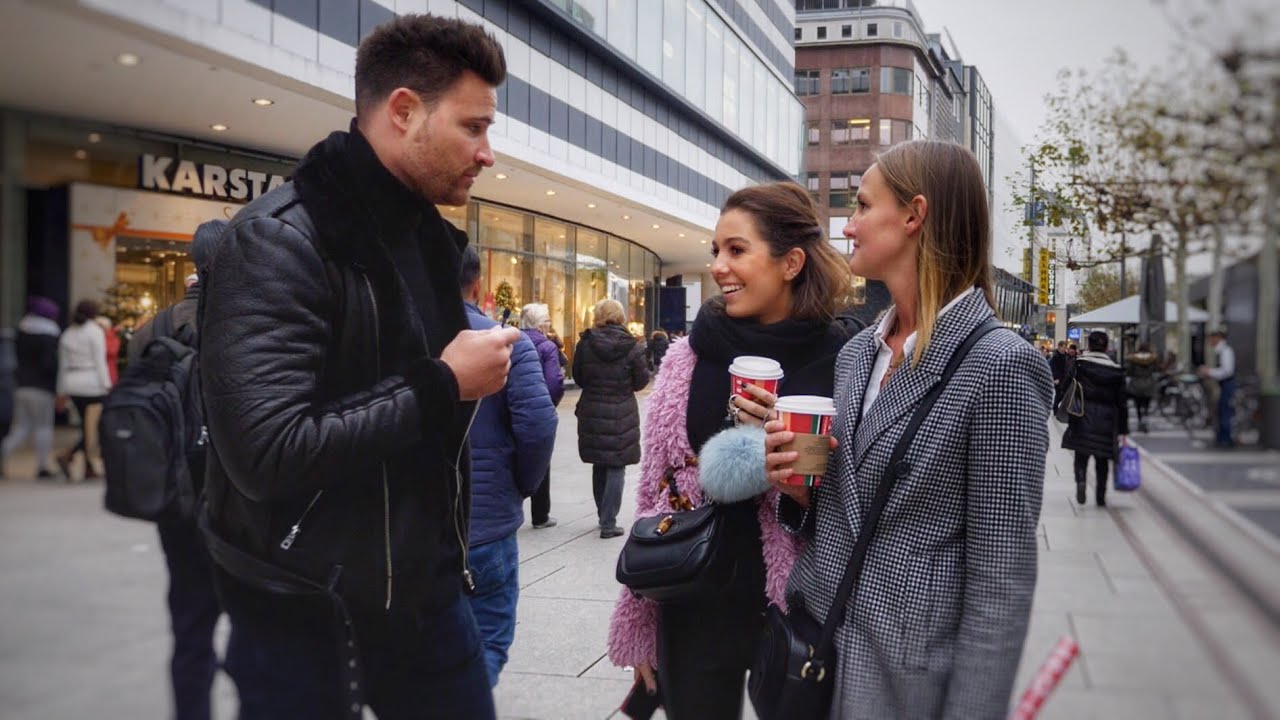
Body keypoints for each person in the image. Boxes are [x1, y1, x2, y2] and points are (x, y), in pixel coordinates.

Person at [198, 14, 518, 719]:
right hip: (304, 608)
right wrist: (443, 383)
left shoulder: (432, 243)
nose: (487, 153)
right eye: (473, 127)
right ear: (404, 111)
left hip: (427, 592)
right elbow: (267, 451)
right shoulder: (277, 243)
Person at [765, 140, 1053, 718]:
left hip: (906, 679)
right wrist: (798, 491)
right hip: (813, 647)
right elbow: (840, 511)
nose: (847, 225)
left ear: (914, 214)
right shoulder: (856, 354)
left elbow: (1001, 581)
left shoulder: (999, 365)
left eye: (863, 206)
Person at [608, 181, 855, 719]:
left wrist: (788, 460)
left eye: (737, 250)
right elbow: (655, 495)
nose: (719, 266)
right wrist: (641, 622)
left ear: (790, 263)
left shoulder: (844, 361)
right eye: (715, 250)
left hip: (797, 602)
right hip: (696, 597)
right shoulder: (691, 355)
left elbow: (846, 502)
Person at [460, 249, 557, 686]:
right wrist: (522, 484)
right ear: (478, 285)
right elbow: (538, 426)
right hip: (484, 522)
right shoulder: (503, 341)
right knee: (488, 641)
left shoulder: (387, 334)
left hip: (402, 532)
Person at [572, 298, 650, 539]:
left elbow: (579, 377)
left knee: (600, 462)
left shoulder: (586, 344)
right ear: (621, 316)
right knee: (617, 465)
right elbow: (641, 381)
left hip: (593, 409)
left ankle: (602, 515)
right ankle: (609, 522)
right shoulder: (632, 346)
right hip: (621, 411)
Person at [1062, 330, 1129, 506]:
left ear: (1089, 345)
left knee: (1081, 455)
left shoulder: (1080, 365)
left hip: (1082, 416)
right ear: (1107, 347)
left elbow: (1065, 385)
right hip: (1107, 421)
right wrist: (1123, 430)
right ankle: (1100, 496)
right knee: (1102, 460)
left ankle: (1082, 481)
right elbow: (1122, 403)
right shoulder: (1116, 371)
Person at [1, 297, 61, 479]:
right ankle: (42, 467)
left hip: (22, 386)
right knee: (43, 427)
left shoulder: (21, 332)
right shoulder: (49, 336)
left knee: (20, 429)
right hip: (41, 388)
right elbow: (49, 364)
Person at [519, 302, 564, 530]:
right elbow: (554, 383)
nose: (549, 323)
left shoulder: (511, 340)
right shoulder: (546, 347)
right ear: (539, 323)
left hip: (511, 407)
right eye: (547, 319)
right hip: (538, 408)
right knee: (541, 460)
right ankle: (540, 514)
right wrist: (549, 406)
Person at [56, 299, 113, 481]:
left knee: (85, 425)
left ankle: (87, 468)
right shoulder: (95, 332)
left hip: (72, 384)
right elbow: (100, 361)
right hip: (92, 384)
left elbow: (62, 365)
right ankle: (69, 455)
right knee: (95, 428)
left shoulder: (68, 333)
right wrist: (107, 384)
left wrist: (61, 391)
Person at [1199, 329, 1236, 448]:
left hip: (1227, 384)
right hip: (1224, 384)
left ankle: (1225, 439)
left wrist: (1209, 372)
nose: (1209, 341)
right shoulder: (1220, 351)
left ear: (1217, 338)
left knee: (1224, 411)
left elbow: (1227, 371)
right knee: (1221, 410)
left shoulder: (1225, 351)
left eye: (1210, 338)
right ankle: (1222, 437)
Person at [1126, 341, 1160, 433]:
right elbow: (1156, 369)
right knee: (1146, 404)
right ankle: (1145, 420)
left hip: (1136, 384)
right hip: (1149, 383)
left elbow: (1129, 371)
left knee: (1137, 404)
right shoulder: (1153, 358)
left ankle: (1140, 420)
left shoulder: (1133, 358)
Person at [95, 315, 121, 385]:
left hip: (109, 372)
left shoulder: (112, 338)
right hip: (97, 374)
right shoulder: (98, 337)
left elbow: (111, 352)